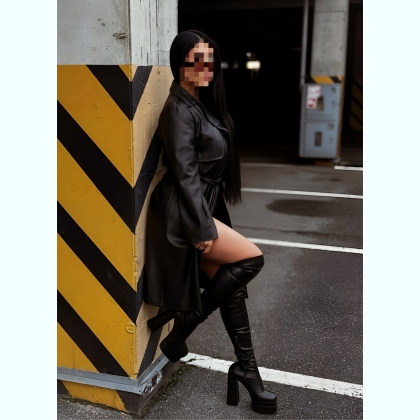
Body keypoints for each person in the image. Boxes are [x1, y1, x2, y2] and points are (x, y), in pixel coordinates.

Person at [143, 30, 277, 414]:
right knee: (251, 259)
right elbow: (184, 175)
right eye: (195, 60)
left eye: (209, 59)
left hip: (201, 207)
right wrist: (201, 227)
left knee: (232, 289)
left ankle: (247, 371)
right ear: (179, 64)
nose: (205, 67)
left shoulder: (200, 103)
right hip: (183, 215)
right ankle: (184, 324)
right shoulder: (177, 109)